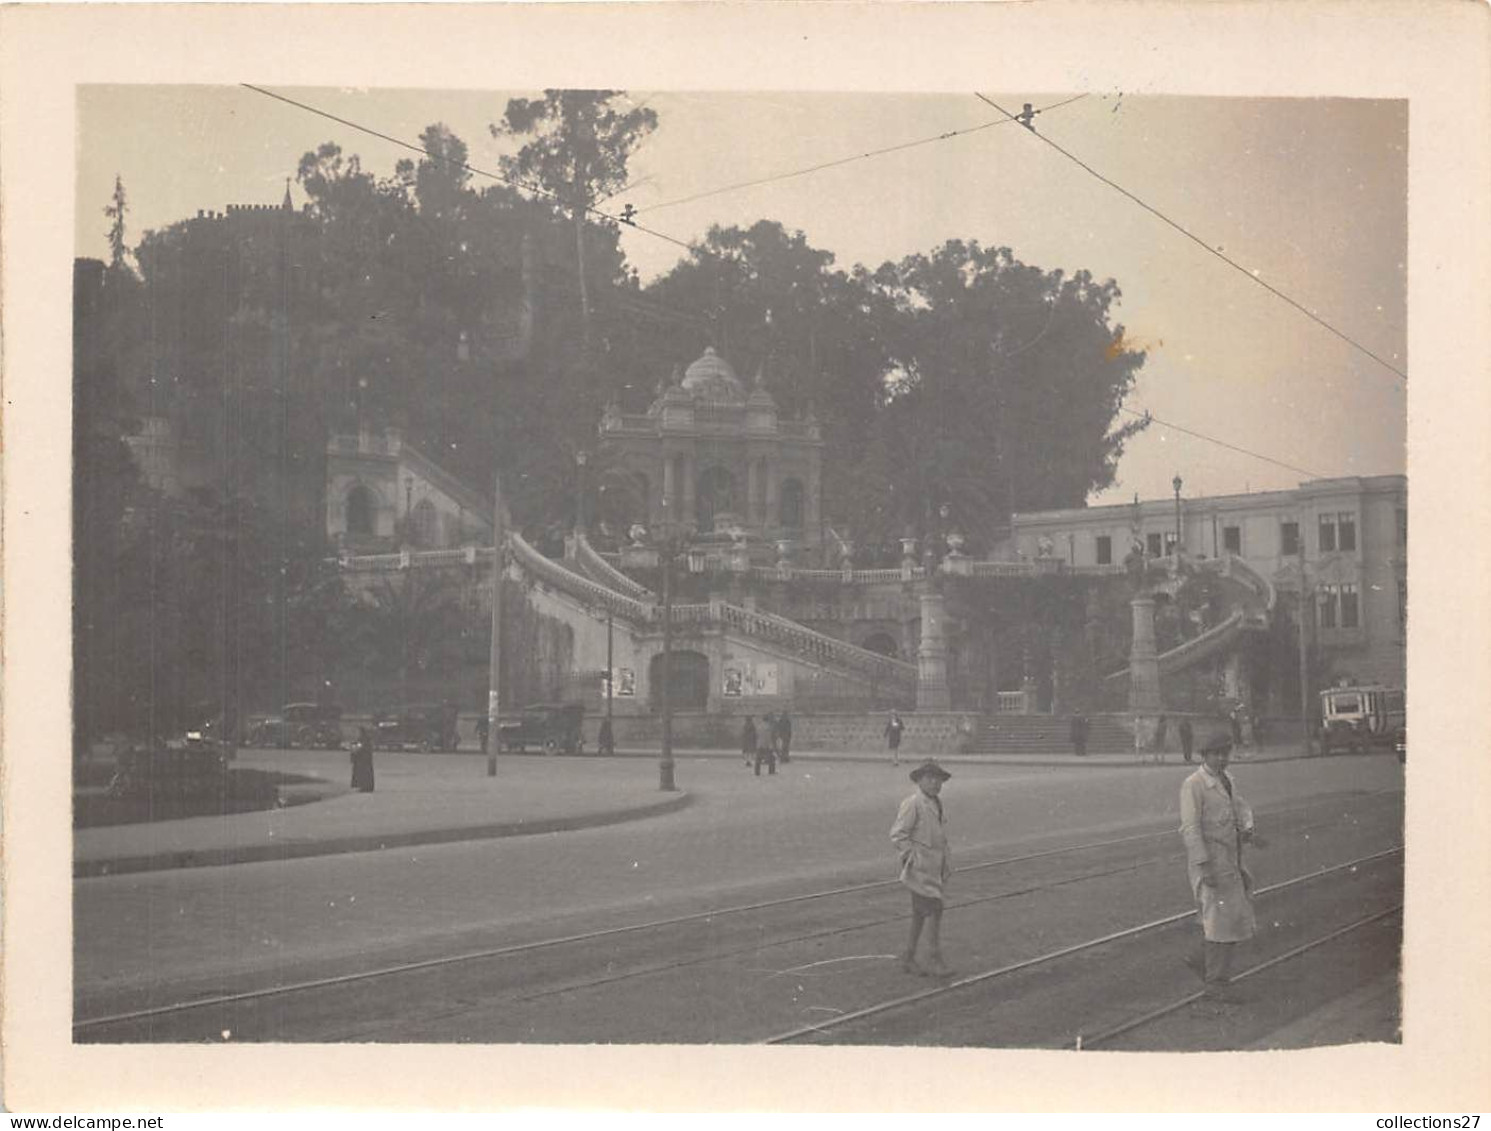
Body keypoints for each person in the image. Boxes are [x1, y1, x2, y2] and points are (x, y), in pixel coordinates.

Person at [1179, 738, 1266, 1002]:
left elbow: (1238, 807)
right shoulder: (1193, 784)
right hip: (1212, 861)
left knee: (1231, 918)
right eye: (1215, 754)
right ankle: (1216, 984)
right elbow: (1191, 828)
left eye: (1224, 753)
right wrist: (1203, 866)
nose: (1221, 759)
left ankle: (1199, 959)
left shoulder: (1227, 778)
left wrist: (1248, 831)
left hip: (1231, 858)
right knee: (1219, 922)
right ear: (1204, 755)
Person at [890, 759, 954, 976]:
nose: (935, 783)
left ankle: (908, 957)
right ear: (919, 781)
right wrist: (911, 856)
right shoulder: (913, 803)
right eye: (930, 779)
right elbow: (898, 834)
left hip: (934, 868)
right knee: (936, 909)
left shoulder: (937, 803)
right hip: (919, 869)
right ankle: (934, 958)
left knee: (920, 913)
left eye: (939, 779)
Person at [350, 726, 375, 793]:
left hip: (363, 760)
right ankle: (366, 787)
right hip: (365, 760)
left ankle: (364, 787)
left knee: (363, 773)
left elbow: (359, 748)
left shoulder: (363, 740)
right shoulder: (365, 739)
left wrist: (354, 749)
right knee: (365, 774)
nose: (356, 733)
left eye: (357, 732)